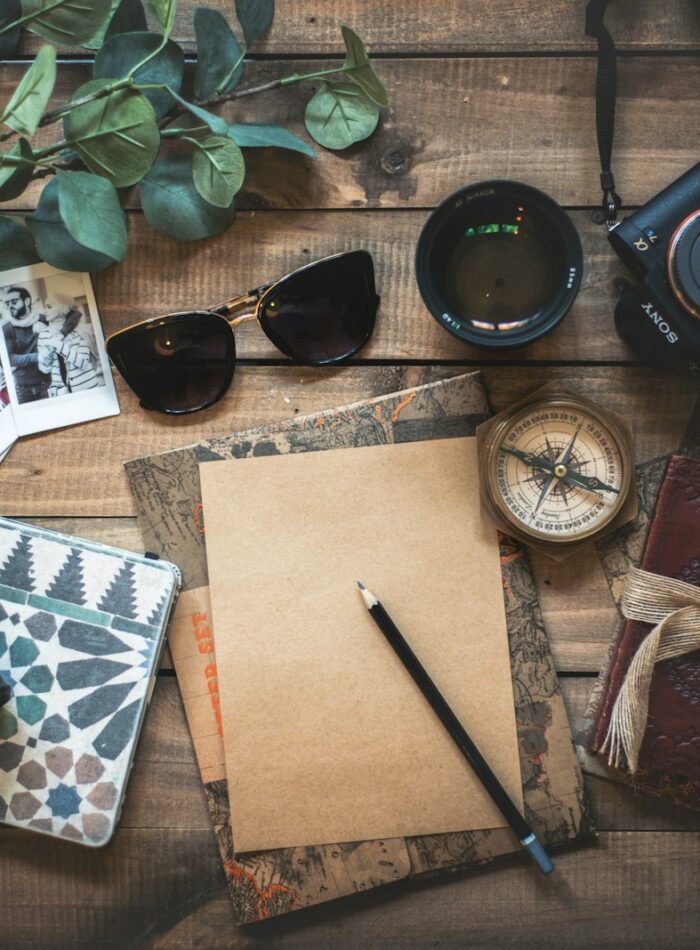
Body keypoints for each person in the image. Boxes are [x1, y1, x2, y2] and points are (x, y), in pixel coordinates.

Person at [37, 295, 100, 394]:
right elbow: (44, 369)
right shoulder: (44, 335)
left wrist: (59, 345)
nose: (45, 311)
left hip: (87, 389)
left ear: (62, 306)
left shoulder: (79, 330)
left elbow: (83, 362)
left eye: (49, 306)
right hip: (61, 394)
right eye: (45, 307)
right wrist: (47, 355)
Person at [1, 286, 48, 403]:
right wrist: (38, 356)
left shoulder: (43, 319)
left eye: (14, 301)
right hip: (22, 387)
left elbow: (73, 315)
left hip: (47, 381)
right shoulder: (7, 328)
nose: (10, 306)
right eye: (7, 303)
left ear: (27, 301)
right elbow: (10, 359)